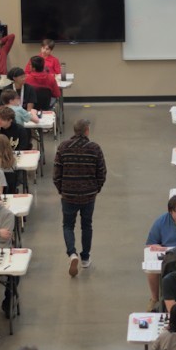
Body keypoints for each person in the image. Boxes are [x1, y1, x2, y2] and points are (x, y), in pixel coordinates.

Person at [54, 118, 107, 276]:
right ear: (87, 131)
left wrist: (61, 189)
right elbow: (102, 172)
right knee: (86, 225)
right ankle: (85, 258)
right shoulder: (94, 148)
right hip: (88, 195)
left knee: (68, 225)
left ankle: (72, 254)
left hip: (68, 194)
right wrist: (96, 189)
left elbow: (56, 174)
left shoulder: (63, 147)